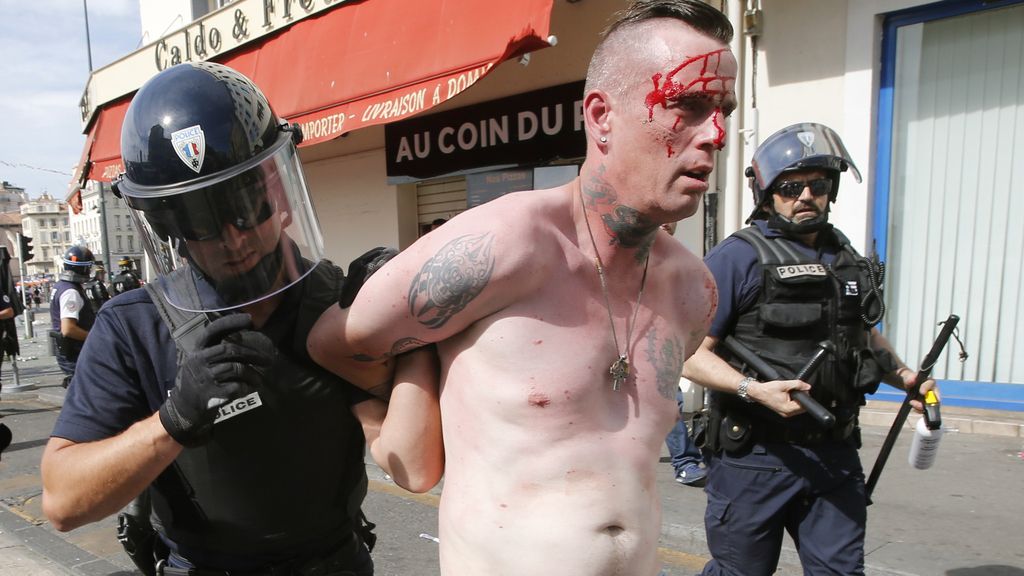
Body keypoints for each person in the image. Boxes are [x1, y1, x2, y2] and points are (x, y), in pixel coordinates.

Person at [309, 2, 736, 574]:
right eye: (688, 105)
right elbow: (337, 343)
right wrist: (390, 411)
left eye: (724, 110)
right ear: (602, 116)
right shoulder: (506, 245)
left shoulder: (693, 292)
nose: (718, 134)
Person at [40, 62, 443, 576]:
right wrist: (173, 422)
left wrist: (411, 327)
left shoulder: (336, 303)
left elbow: (412, 466)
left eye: (247, 207)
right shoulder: (133, 326)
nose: (234, 239)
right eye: (201, 222)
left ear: (278, 190)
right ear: (169, 227)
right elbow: (62, 503)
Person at [681, 122, 939, 576]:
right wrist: (752, 390)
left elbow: (863, 335)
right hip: (755, 459)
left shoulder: (845, 256)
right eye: (790, 187)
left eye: (817, 186)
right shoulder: (737, 258)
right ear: (767, 193)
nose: (805, 196)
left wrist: (906, 379)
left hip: (834, 454)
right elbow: (688, 351)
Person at [660, 220, 708, 488]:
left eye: (672, 217)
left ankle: (685, 462)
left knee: (669, 401)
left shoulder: (682, 258)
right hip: (618, 344)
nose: (668, 222)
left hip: (661, 344)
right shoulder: (624, 252)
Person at [49, 245, 96, 389]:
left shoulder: (61, 286)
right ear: (83, 268)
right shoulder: (71, 292)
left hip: (69, 350)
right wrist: (95, 337)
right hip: (74, 351)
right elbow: (68, 329)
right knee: (85, 391)